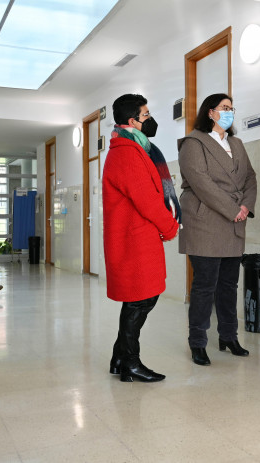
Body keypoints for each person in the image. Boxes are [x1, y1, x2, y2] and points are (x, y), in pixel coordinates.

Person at [103, 94, 180, 382]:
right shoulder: (126, 151)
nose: (151, 119)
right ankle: (130, 364)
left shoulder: (135, 147)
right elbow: (146, 199)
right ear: (133, 120)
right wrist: (170, 226)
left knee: (141, 299)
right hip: (134, 239)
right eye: (146, 115)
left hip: (138, 236)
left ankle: (120, 357)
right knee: (140, 299)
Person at [178, 93, 257, 366]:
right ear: (210, 112)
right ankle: (198, 342)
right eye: (224, 108)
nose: (229, 112)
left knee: (228, 285)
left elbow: (250, 177)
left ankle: (228, 336)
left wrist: (246, 206)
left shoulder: (235, 142)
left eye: (232, 108)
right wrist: (233, 209)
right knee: (204, 286)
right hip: (205, 221)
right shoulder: (193, 142)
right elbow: (201, 183)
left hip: (235, 221)